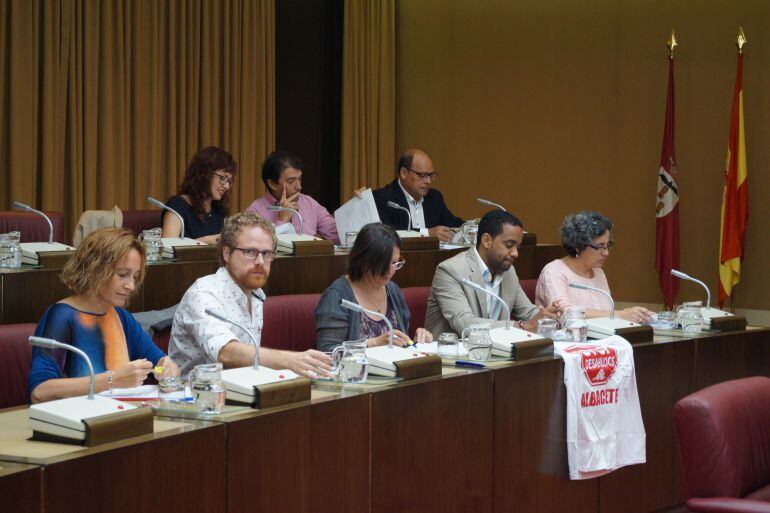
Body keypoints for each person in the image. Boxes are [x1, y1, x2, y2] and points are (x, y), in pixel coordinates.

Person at [169, 212, 332, 377]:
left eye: (266, 253)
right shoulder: (203, 293)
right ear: (227, 253)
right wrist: (290, 360)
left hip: (241, 387)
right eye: (250, 252)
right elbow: (225, 353)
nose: (260, 261)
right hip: (196, 391)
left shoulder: (256, 295)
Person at [28, 228, 180, 403]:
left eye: (135, 277)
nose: (131, 286)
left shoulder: (122, 317)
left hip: (118, 414)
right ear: (95, 269)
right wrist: (111, 380)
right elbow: (40, 391)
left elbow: (159, 362)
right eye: (123, 275)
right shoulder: (62, 316)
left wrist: (168, 368)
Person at [425, 210, 561, 338]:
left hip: (495, 351)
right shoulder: (451, 270)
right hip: (452, 351)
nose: (515, 253)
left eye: (518, 247)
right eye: (509, 245)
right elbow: (465, 324)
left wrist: (547, 316)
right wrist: (522, 326)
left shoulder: (508, 271)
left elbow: (528, 313)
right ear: (486, 241)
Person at [315, 223, 433, 352]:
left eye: (395, 263)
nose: (390, 271)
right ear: (363, 261)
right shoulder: (337, 296)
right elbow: (327, 352)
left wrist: (416, 342)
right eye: (383, 264)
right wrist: (373, 343)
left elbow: (400, 343)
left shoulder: (393, 291)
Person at [536, 210, 655, 323]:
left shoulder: (598, 272)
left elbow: (606, 313)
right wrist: (619, 315)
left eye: (607, 245)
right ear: (577, 246)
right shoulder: (554, 271)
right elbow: (565, 313)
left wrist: (632, 315)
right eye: (599, 246)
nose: (606, 253)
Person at [245, 150, 340, 243]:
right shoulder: (255, 211)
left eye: (300, 179)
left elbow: (336, 234)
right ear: (272, 184)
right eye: (291, 181)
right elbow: (256, 246)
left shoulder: (309, 203)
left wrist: (349, 216)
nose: (299, 187)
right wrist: (281, 221)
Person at [372, 149, 463, 242]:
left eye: (431, 175)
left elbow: (454, 225)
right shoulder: (382, 197)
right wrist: (427, 233)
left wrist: (470, 227)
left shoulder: (434, 197)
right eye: (422, 175)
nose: (428, 181)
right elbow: (386, 233)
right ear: (404, 173)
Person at [161, 146, 237, 244]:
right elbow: (168, 248)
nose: (227, 186)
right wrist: (205, 241)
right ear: (205, 174)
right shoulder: (177, 205)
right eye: (223, 178)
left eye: (229, 181)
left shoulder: (218, 210)